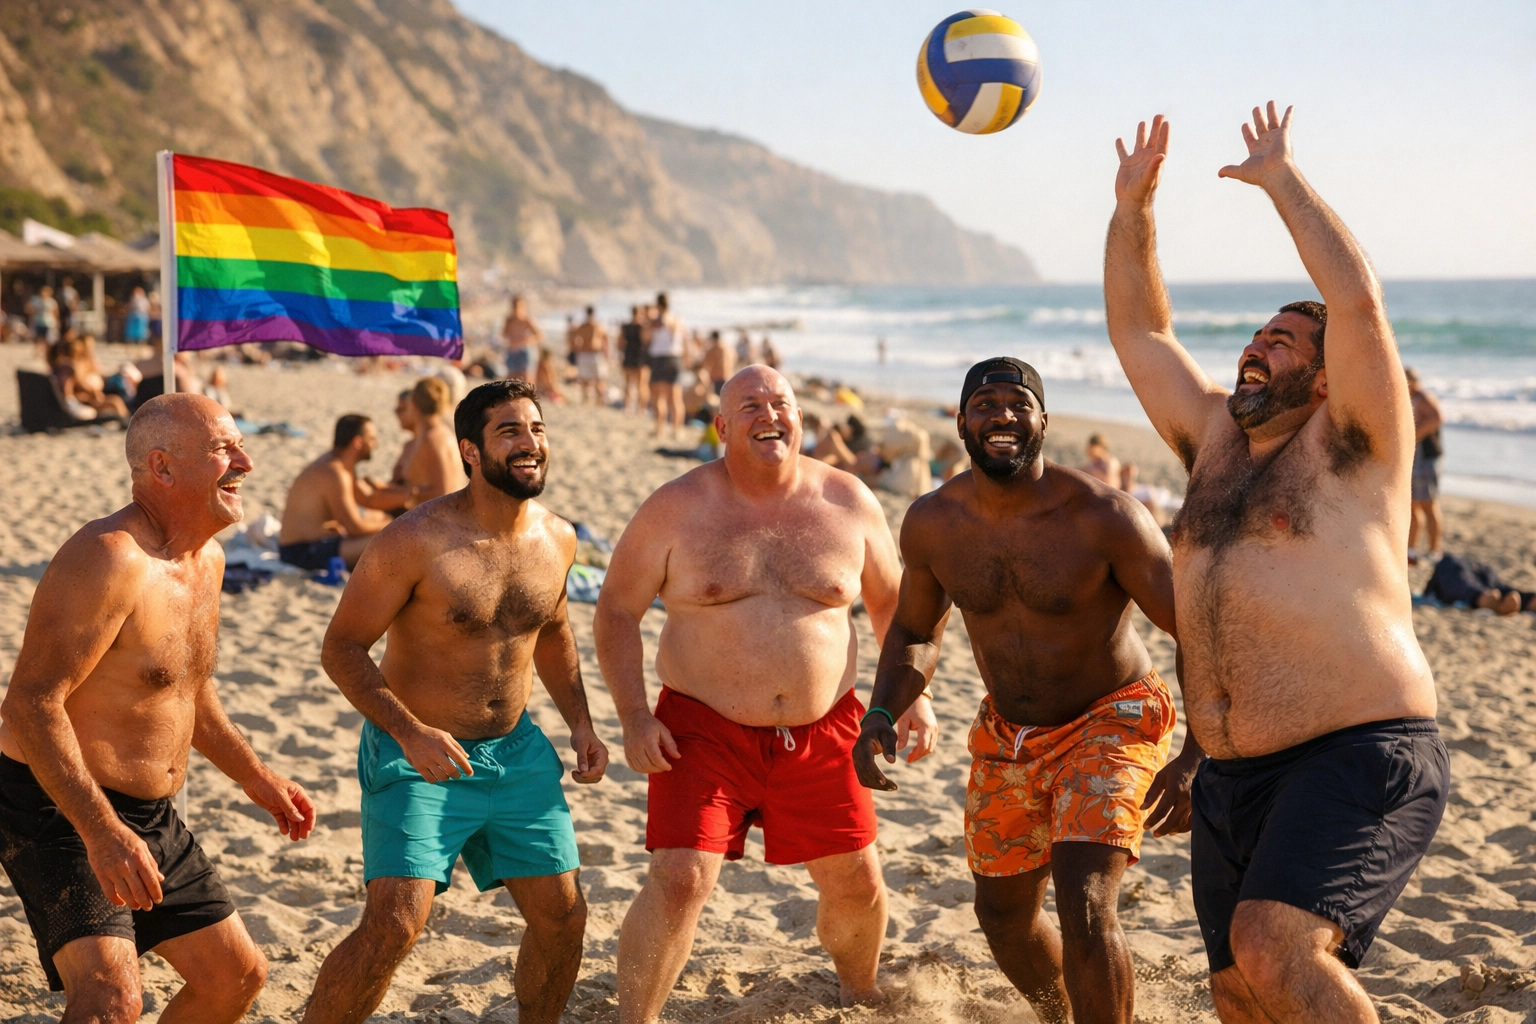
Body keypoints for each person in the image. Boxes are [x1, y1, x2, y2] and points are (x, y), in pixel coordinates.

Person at [1105, 104, 1448, 1023]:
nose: (1257, 349)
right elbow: (1141, 335)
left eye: (1282, 342)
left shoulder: (1358, 446)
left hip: (1358, 748)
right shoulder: (1214, 440)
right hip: (1231, 774)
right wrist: (1133, 209)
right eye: (1255, 337)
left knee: (1274, 947)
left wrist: (1281, 181)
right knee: (1237, 993)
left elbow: (1357, 305)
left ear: (1328, 373)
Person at [853, 359, 1196, 1024]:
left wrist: (1199, 754)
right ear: (960, 423)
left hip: (1114, 717)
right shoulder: (932, 522)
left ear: (1043, 421)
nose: (1002, 415)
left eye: (1019, 403)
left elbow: (1198, 630)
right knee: (1002, 916)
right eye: (985, 403)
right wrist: (881, 710)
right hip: (1008, 733)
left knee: (1085, 899)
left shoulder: (1105, 517)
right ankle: (1062, 1015)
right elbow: (917, 633)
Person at [594, 365, 937, 1023]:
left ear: (801, 420)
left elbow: (895, 604)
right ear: (722, 426)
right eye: (749, 405)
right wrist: (634, 717)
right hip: (701, 728)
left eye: (781, 402)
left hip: (827, 725)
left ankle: (858, 992)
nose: (768, 413)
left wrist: (910, 695)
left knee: (857, 885)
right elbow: (615, 611)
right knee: (682, 881)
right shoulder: (676, 507)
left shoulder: (848, 500)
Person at [302, 379, 608, 1024]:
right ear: (470, 450)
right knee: (395, 924)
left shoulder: (559, 538)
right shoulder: (414, 539)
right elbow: (343, 648)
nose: (530, 445)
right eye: (510, 432)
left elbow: (551, 629)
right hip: (418, 754)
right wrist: (410, 732)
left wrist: (580, 721)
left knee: (562, 917)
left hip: (517, 752)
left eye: (537, 429)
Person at [0, 394, 315, 1019]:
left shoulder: (209, 560)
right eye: (224, 450)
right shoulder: (110, 557)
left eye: (239, 445)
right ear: (162, 468)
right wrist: (101, 830)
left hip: (149, 812)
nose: (245, 462)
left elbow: (188, 689)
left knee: (236, 978)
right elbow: (31, 705)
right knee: (113, 997)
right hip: (58, 799)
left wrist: (255, 776)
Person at [278, 414, 391, 569]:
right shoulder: (334, 472)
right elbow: (355, 528)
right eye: (371, 439)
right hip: (300, 552)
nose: (375, 445)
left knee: (379, 519)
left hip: (316, 542)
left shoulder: (340, 463)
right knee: (388, 539)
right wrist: (391, 525)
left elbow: (366, 498)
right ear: (358, 442)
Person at [1406, 367, 1444, 565]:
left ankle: (1434, 550)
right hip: (1415, 461)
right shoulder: (1409, 398)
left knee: (1429, 505)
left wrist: (1415, 435)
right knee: (1412, 506)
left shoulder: (1423, 397)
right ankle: (1411, 550)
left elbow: (1438, 417)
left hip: (1427, 460)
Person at [1423, 553, 1534, 615]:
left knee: (1471, 586)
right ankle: (1529, 600)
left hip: (1461, 565)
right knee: (1500, 588)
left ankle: (1483, 598)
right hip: (1473, 567)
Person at [647, 293, 688, 438]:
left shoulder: (656, 321)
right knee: (675, 397)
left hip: (660, 358)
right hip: (675, 358)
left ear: (658, 305)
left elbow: (645, 337)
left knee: (659, 396)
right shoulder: (677, 319)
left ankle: (659, 429)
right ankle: (677, 430)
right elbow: (685, 340)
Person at [572, 305, 611, 406]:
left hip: (588, 354)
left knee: (590, 379)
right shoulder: (597, 326)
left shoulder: (584, 326)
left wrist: (576, 348)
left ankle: (592, 401)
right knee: (596, 379)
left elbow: (573, 337)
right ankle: (597, 401)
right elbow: (606, 340)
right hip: (593, 354)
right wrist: (606, 353)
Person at [502, 295, 544, 382]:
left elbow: (540, 335)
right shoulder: (509, 321)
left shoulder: (527, 320)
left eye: (519, 307)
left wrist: (527, 340)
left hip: (525, 351)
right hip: (513, 351)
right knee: (510, 379)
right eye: (515, 307)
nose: (516, 309)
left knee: (527, 379)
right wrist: (513, 339)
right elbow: (504, 335)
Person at [620, 305, 650, 414]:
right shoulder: (642, 327)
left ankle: (627, 406)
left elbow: (620, 342)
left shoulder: (626, 326)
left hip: (628, 356)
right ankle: (641, 408)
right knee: (642, 385)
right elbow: (645, 341)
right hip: (640, 358)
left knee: (628, 384)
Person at [700, 330, 735, 396]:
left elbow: (705, 363)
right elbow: (734, 358)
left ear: (713, 338)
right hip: (728, 377)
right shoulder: (728, 348)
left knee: (718, 400)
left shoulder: (713, 350)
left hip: (717, 378)